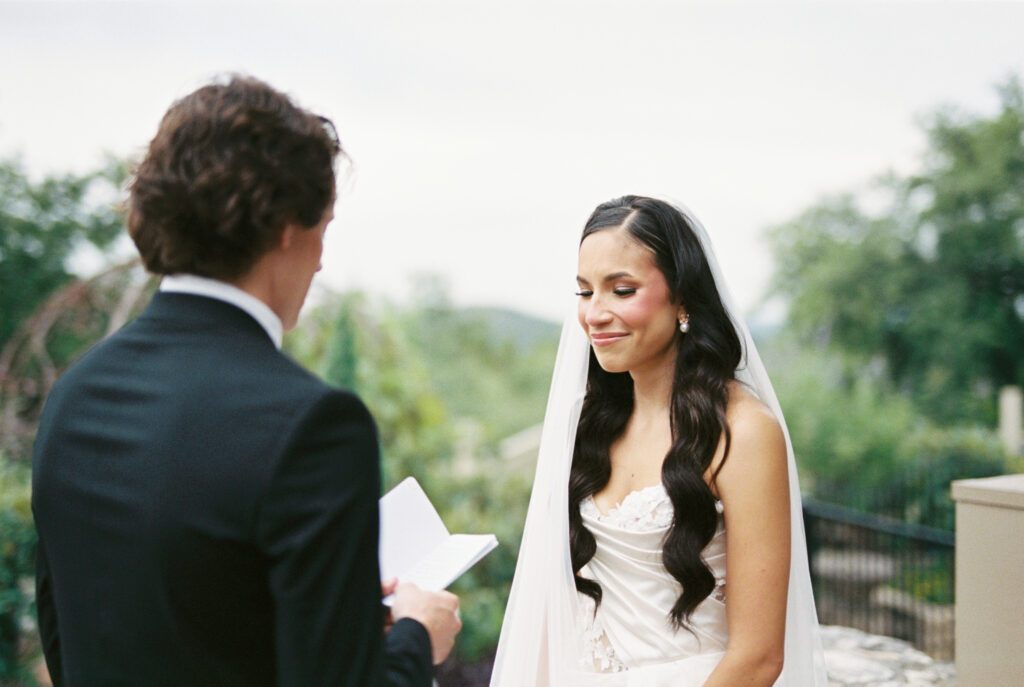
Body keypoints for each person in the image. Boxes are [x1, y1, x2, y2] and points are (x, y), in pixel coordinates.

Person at [31, 75, 460, 687]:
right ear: (287, 225)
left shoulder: (75, 395)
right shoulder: (311, 424)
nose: (321, 260)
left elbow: (67, 641)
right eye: (325, 227)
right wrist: (417, 636)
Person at [490, 196, 828, 686]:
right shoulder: (586, 426)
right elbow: (553, 608)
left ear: (683, 299)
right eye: (585, 293)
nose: (596, 314)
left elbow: (758, 658)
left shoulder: (743, 432)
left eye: (622, 290)